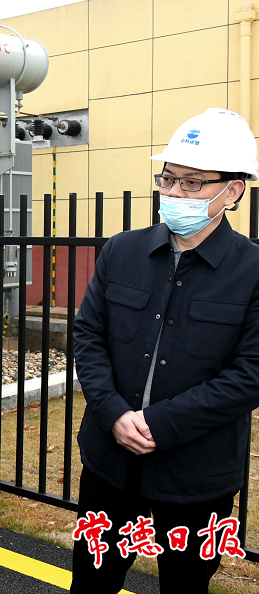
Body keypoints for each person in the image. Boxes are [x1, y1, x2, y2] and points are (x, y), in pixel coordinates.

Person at [71, 108, 259, 593]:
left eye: (192, 183)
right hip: (110, 462)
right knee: (92, 581)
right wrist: (114, 413)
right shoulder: (122, 251)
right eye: (168, 179)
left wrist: (160, 423)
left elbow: (251, 373)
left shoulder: (252, 270)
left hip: (197, 473)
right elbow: (88, 336)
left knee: (186, 584)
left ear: (232, 191)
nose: (174, 193)